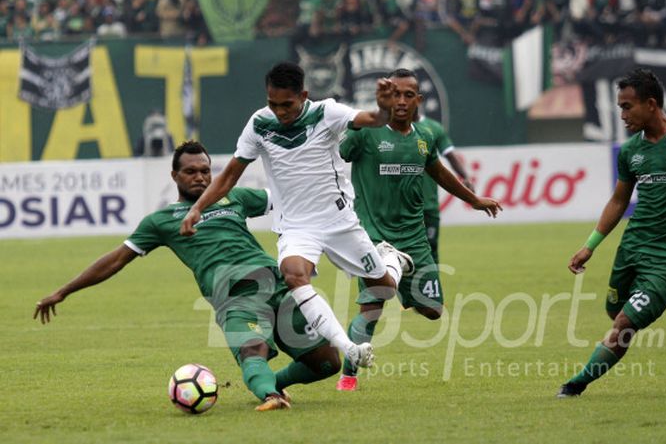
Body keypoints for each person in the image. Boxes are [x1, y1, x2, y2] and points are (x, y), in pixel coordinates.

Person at [34, 141, 344, 411]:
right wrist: (64, 291)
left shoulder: (233, 198)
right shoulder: (161, 220)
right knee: (253, 348)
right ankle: (271, 395)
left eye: (205, 170)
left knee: (328, 362)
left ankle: (269, 382)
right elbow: (115, 260)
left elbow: (288, 197)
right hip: (233, 294)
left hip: (276, 282)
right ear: (175, 176)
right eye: (191, 171)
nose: (200, 176)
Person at [180, 62, 414, 372]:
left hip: (338, 220)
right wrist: (198, 208)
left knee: (384, 287)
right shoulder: (259, 124)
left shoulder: (326, 112)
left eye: (286, 104)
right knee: (292, 274)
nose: (279, 111)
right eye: (272, 103)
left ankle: (393, 260)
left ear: (303, 95)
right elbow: (229, 176)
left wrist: (384, 110)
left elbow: (372, 118)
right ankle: (350, 348)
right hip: (296, 225)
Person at [336, 68, 502, 391]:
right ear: (386, 97)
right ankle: (348, 377)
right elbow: (337, 151)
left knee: (434, 310)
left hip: (414, 241)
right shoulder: (367, 133)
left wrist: (474, 200)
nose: (400, 101)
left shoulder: (424, 138)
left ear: (418, 100)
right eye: (395, 94)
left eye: (407, 95)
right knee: (371, 309)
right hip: (375, 239)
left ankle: (399, 283)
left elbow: (440, 173)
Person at [558, 68, 666, 397]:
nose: (621, 114)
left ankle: (575, 385)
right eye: (619, 107)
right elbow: (619, 200)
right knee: (615, 314)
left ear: (651, 104)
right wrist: (589, 246)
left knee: (624, 323)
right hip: (632, 248)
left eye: (626, 106)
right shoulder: (630, 151)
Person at [416, 114, 474, 264]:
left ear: (418, 99)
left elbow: (450, 156)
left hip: (428, 204)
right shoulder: (390, 129)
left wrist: (465, 176)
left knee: (430, 250)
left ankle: (431, 286)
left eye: (409, 95)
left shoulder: (433, 128)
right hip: (401, 206)